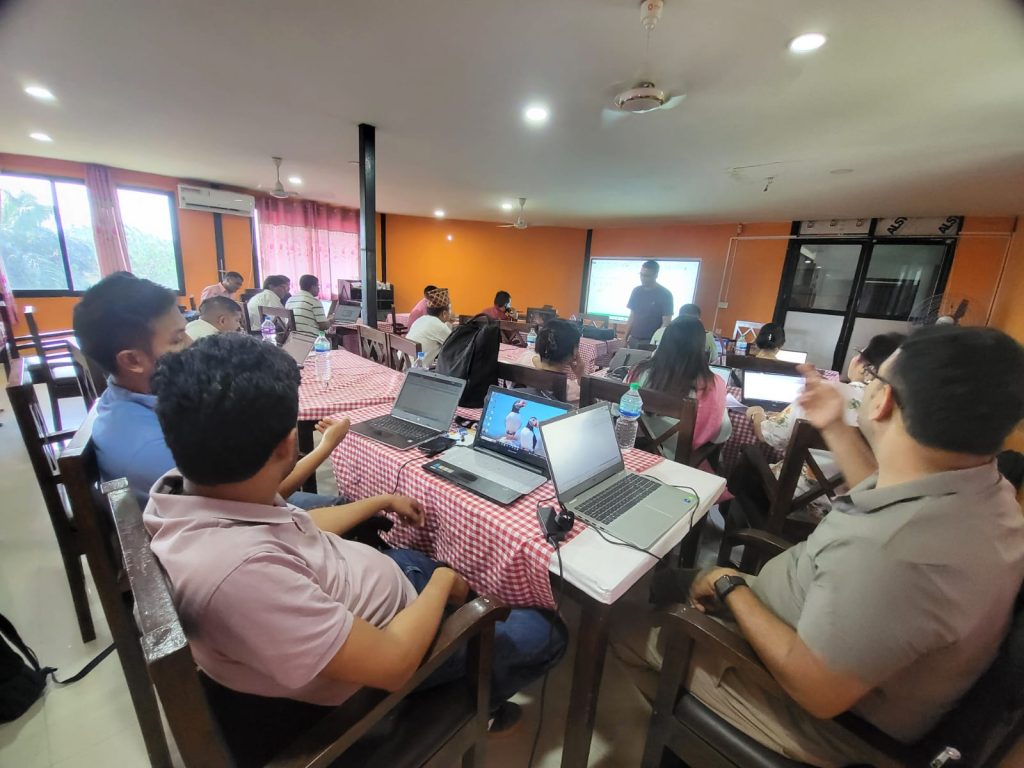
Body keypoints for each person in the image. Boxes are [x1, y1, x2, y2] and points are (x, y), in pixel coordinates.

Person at [613, 325, 1024, 767]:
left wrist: (729, 583)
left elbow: (815, 690)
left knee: (624, 626)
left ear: (883, 400)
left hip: (814, 712)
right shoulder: (987, 493)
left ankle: (686, 739)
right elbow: (886, 496)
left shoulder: (896, 552)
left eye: (875, 378)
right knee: (672, 582)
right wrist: (834, 425)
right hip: (821, 633)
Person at [145, 334, 566, 747]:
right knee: (545, 631)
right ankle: (474, 704)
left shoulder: (198, 487)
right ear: (288, 446)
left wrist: (380, 501)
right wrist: (442, 583)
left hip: (380, 588)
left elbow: (298, 525)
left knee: (435, 564)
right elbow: (394, 663)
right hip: (387, 655)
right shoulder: (240, 578)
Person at [73, 274, 348, 512]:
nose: (191, 343)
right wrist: (324, 447)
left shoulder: (123, 402)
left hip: (222, 516)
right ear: (132, 360)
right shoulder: (155, 450)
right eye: (177, 338)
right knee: (347, 508)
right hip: (244, 527)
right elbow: (259, 501)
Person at [625, 316, 731, 458]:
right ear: (701, 346)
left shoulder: (639, 372)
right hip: (682, 461)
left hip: (638, 453)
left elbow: (618, 410)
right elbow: (721, 435)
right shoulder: (713, 384)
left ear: (664, 340)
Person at [517, 318, 585, 404]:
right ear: (575, 351)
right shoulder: (569, 389)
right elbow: (591, 401)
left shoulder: (524, 358)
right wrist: (581, 375)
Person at [622, 260, 673, 347]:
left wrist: (656, 341)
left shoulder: (665, 294)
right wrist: (624, 338)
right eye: (641, 274)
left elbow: (666, 321)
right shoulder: (636, 291)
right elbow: (632, 316)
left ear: (656, 275)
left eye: (647, 276)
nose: (643, 278)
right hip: (633, 338)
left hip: (650, 341)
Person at [652, 304, 716, 362]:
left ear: (678, 316)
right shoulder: (707, 335)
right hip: (695, 369)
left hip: (663, 367)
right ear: (699, 320)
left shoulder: (660, 331)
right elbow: (714, 359)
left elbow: (650, 351)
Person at [405, 287, 452, 367]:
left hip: (403, 362)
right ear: (444, 313)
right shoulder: (439, 326)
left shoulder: (421, 319)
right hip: (414, 369)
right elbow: (456, 346)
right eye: (450, 310)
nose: (451, 313)